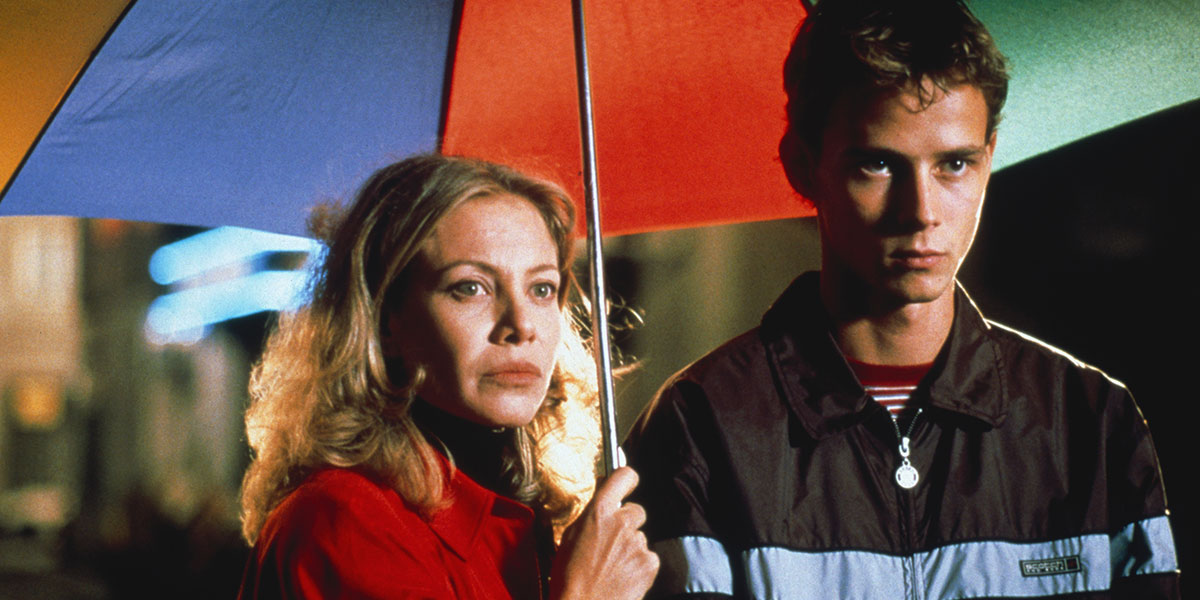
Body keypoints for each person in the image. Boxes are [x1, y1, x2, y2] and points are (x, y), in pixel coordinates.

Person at [623, 1, 1179, 598]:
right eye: (879, 165)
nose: (921, 213)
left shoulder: (1089, 418)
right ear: (803, 166)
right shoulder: (701, 422)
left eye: (955, 165)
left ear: (989, 159)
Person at [237, 154, 658, 599]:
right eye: (470, 287)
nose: (521, 324)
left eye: (541, 288)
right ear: (384, 319)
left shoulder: (531, 524)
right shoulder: (347, 518)